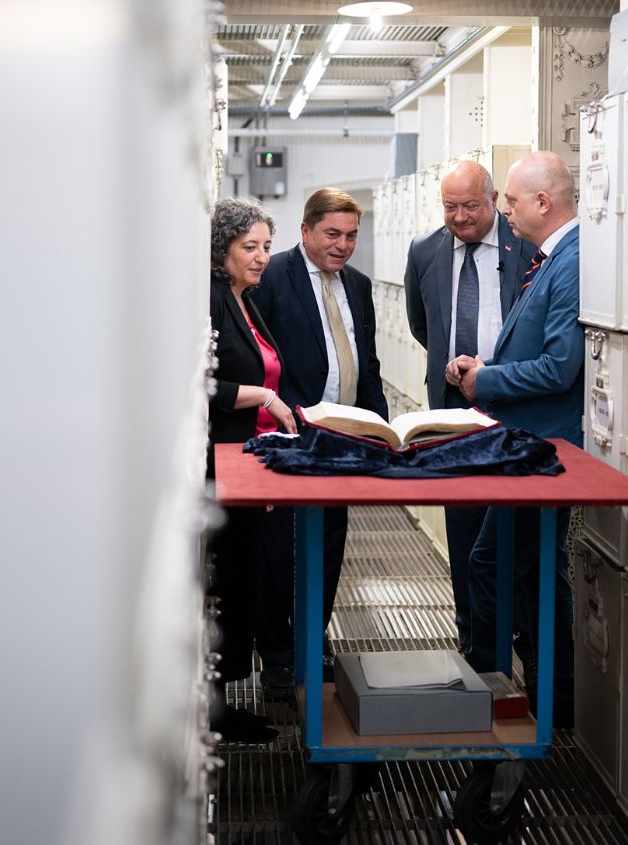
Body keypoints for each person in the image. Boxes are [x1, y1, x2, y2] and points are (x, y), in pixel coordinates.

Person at [445, 151, 583, 728]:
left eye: (511, 199)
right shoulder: (555, 258)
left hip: (543, 449)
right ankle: (554, 700)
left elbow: (560, 367)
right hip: (527, 444)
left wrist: (488, 379)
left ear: (542, 203)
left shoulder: (572, 260)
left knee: (492, 564)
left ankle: (491, 702)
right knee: (531, 570)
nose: (505, 209)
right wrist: (487, 364)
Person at [249, 187, 386, 698]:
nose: (343, 245)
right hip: (287, 439)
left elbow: (367, 365)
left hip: (342, 439)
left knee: (328, 544)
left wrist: (382, 431)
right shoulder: (272, 280)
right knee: (279, 551)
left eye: (351, 235)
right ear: (305, 231)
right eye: (332, 234)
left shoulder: (360, 285)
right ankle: (279, 656)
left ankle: (312, 639)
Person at [403, 159, 536, 656]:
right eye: (450, 207)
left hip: (515, 405)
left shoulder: (525, 246)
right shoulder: (424, 251)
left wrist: (494, 371)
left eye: (470, 206)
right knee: (463, 527)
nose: (459, 218)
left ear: (495, 198)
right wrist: (453, 365)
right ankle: (474, 638)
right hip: (454, 410)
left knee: (514, 532)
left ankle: (520, 638)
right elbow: (423, 325)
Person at [206, 197, 297, 744]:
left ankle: (224, 701)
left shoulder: (245, 300)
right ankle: (215, 710)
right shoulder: (214, 302)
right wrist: (260, 393)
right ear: (222, 251)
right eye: (250, 248)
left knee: (245, 580)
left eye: (266, 246)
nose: (262, 257)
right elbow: (198, 384)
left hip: (251, 460)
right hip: (221, 463)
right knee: (230, 580)